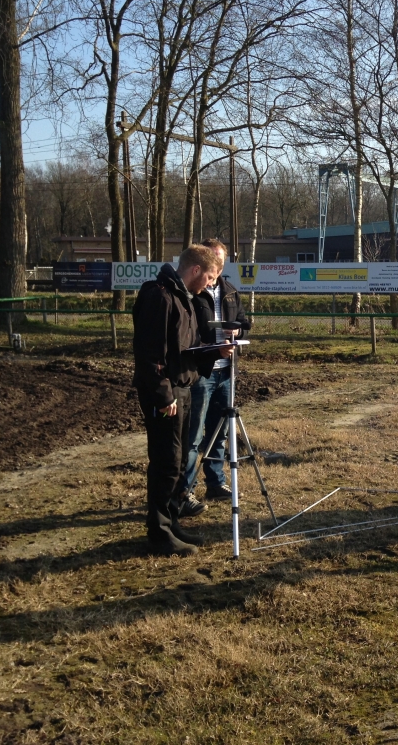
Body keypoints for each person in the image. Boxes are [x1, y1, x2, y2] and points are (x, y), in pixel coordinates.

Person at [132, 245, 221, 556]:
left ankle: (171, 523)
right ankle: (159, 534)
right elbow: (150, 353)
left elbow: (187, 348)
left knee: (180, 461)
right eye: (209, 277)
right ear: (195, 270)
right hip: (166, 395)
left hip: (184, 389)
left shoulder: (184, 298)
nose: (211, 283)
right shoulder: (159, 295)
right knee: (166, 463)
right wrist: (163, 394)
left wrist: (216, 351)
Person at [178, 238, 248, 514]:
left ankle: (216, 481)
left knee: (219, 432)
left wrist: (238, 333)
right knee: (193, 436)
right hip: (202, 372)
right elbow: (187, 333)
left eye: (221, 261)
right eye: (213, 261)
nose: (217, 267)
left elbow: (244, 322)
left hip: (226, 372)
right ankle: (186, 490)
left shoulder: (230, 290)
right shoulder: (194, 291)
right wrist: (210, 349)